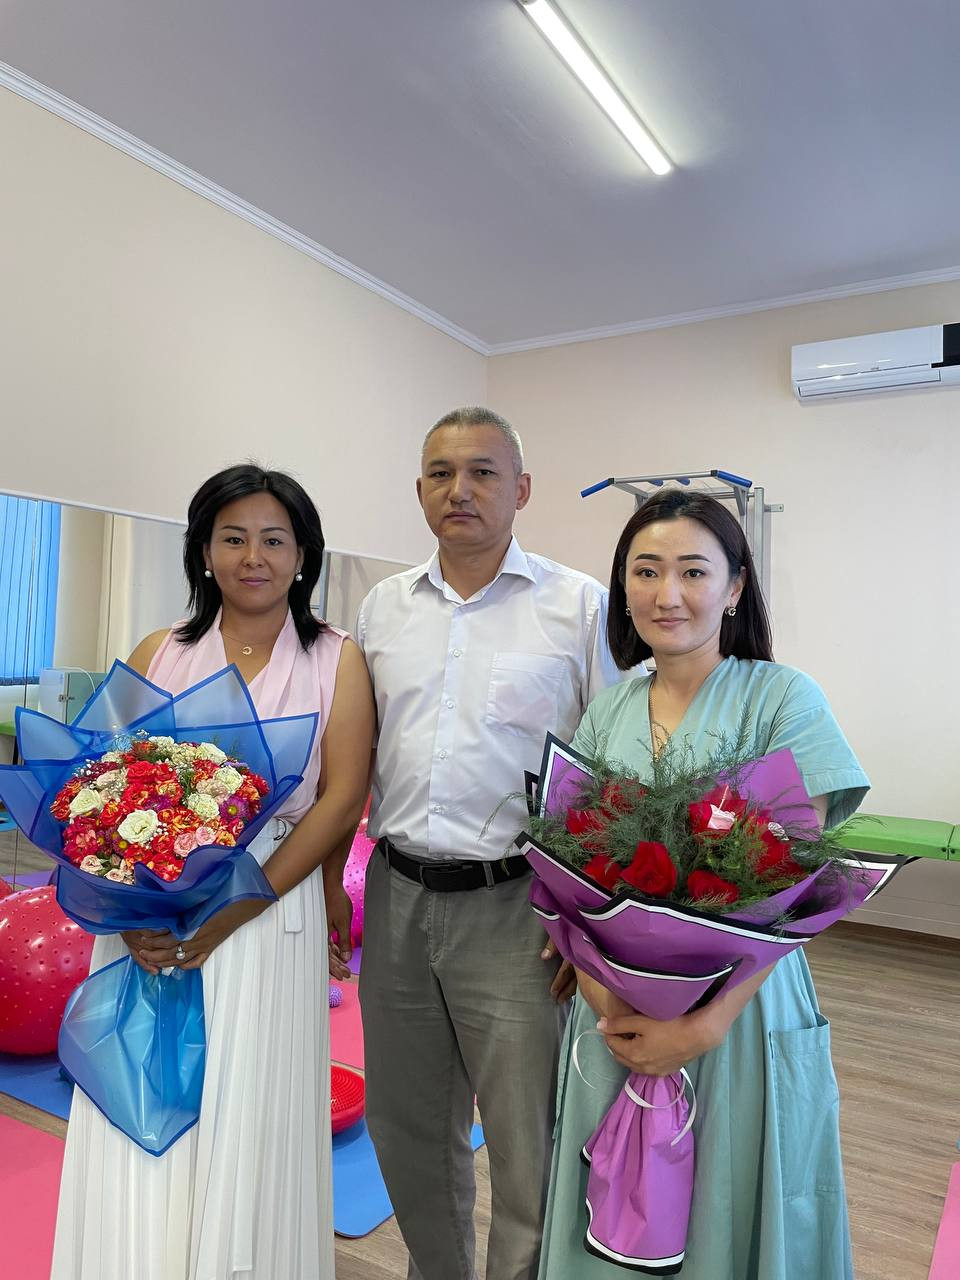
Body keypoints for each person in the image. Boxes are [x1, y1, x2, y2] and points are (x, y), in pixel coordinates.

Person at [50, 464, 375, 1280]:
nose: (253, 557)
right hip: (147, 914)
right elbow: (95, 792)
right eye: (233, 538)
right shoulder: (160, 651)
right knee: (140, 1101)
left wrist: (235, 907)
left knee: (248, 1102)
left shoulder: (336, 658)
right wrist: (133, 915)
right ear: (202, 550)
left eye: (274, 540)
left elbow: (341, 798)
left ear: (303, 555)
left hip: (269, 907)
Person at [537, 487, 869, 1280]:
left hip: (741, 1012)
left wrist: (706, 1025)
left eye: (693, 571)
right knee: (616, 1214)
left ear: (735, 587)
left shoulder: (784, 701)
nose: (668, 593)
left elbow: (794, 887)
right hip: (614, 1019)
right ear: (623, 586)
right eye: (646, 571)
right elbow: (569, 878)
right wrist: (603, 996)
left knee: (733, 1198)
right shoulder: (607, 712)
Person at [351, 406, 625, 1280]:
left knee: (525, 1136)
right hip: (395, 896)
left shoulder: (579, 606)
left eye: (482, 472)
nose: (459, 490)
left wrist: (585, 921)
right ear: (419, 490)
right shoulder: (382, 608)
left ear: (522, 489)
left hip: (520, 908)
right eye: (441, 473)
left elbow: (616, 772)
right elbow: (356, 754)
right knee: (405, 1124)